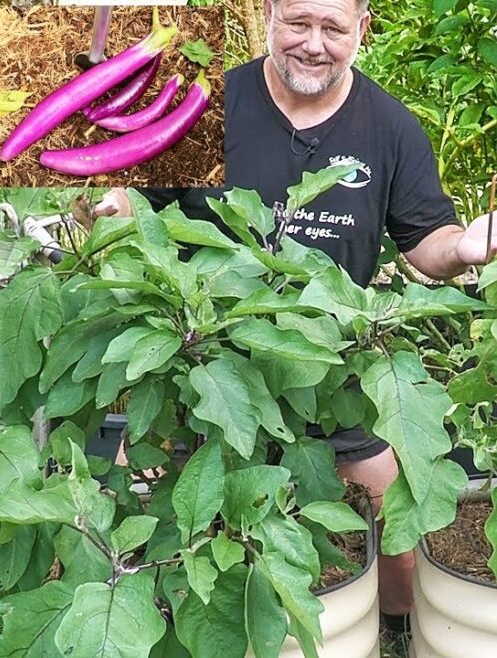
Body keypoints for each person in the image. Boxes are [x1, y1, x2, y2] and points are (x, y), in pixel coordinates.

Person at [98, 0, 497, 640]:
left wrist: (466, 249)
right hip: (205, 366)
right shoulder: (206, 105)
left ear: (362, 30)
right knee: (149, 501)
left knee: (399, 540)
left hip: (331, 372)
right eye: (298, 23)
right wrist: (103, 202)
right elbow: (134, 198)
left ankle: (388, 633)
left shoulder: (390, 128)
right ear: (268, 16)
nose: (314, 44)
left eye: (334, 28)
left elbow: (428, 240)